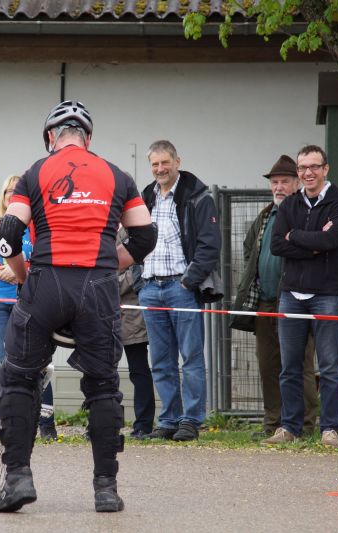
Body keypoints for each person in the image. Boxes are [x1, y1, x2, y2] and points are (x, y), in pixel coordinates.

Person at [0, 100, 155, 513]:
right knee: (104, 386)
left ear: (51, 137)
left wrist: (23, 276)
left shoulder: (35, 172)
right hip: (97, 288)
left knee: (19, 378)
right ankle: (106, 489)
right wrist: (109, 264)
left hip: (46, 283)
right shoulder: (118, 176)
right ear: (88, 138)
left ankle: (17, 479)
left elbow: (7, 234)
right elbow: (145, 236)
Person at [263, 145, 338, 448]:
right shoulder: (289, 204)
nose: (308, 173)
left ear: (325, 169)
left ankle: (330, 429)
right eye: (302, 168)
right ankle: (290, 427)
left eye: (314, 166)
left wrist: (296, 236)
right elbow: (277, 245)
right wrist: (313, 244)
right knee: (289, 366)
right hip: (291, 294)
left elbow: (332, 240)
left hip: (327, 294)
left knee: (329, 365)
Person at [137, 140, 221, 442]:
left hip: (180, 287)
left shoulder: (198, 197)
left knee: (191, 357)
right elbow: (133, 239)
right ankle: (169, 420)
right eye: (155, 164)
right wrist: (138, 281)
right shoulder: (146, 197)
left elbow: (210, 245)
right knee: (161, 361)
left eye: (165, 163)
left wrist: (188, 282)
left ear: (177, 162)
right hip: (150, 288)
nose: (160, 169)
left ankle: (191, 420)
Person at [229, 155, 318, 439]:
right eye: (274, 182)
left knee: (299, 365)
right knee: (268, 366)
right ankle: (273, 425)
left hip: (296, 301)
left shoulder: (306, 214)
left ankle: (304, 426)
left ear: (297, 184)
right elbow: (248, 248)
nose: (278, 187)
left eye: (284, 182)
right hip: (265, 302)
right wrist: (253, 277)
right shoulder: (266, 216)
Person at [0, 175, 56, 440]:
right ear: (3, 196)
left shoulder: (38, 228)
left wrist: (20, 269)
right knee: (5, 363)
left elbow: (47, 262)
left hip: (30, 304)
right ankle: (10, 422)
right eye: (8, 191)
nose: (11, 195)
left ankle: (46, 424)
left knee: (38, 362)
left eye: (17, 192)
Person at [117, 235, 155, 439]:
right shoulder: (100, 230)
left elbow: (135, 277)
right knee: (103, 373)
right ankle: (104, 423)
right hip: (105, 316)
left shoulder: (135, 234)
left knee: (138, 370)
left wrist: (104, 281)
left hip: (132, 317)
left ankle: (143, 425)